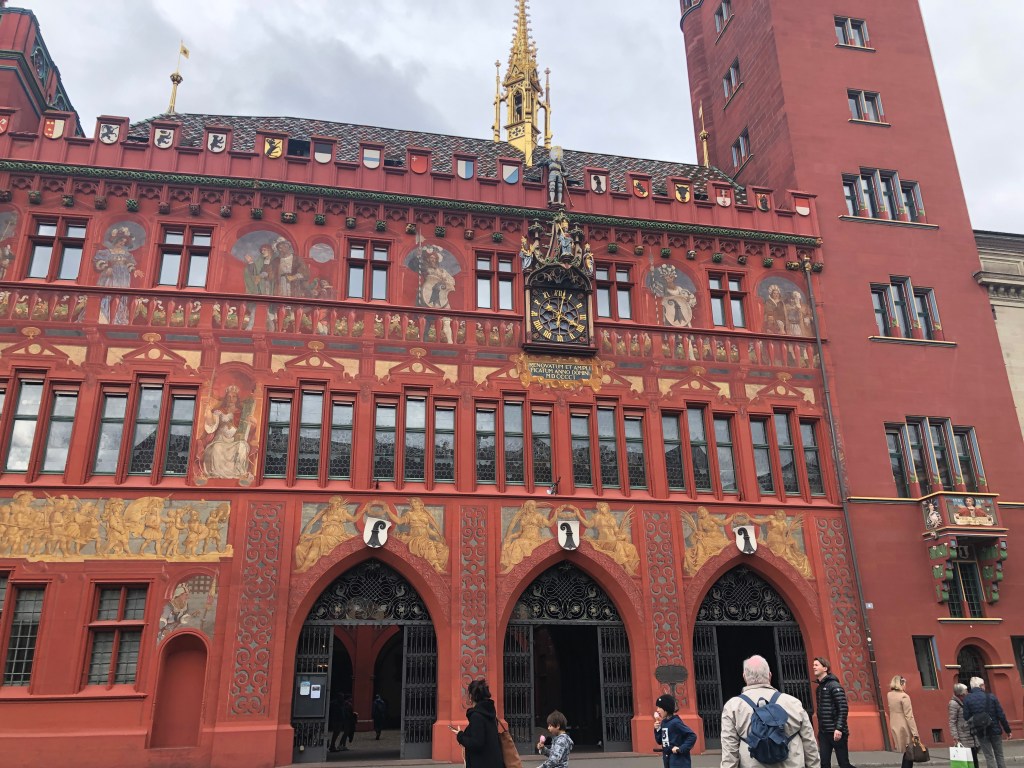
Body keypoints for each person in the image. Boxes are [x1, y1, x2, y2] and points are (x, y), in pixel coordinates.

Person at [720, 655, 819, 768]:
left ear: (744, 676)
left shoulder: (733, 706)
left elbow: (729, 750)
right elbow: (809, 742)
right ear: (770, 675)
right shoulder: (793, 703)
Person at [812, 657, 855, 768]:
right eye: (813, 665)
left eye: (816, 665)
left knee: (844, 764)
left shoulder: (834, 685)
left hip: (836, 731)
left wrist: (839, 728)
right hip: (824, 732)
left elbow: (843, 708)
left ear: (825, 668)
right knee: (824, 763)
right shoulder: (819, 688)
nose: (814, 667)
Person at [962, 677, 1011, 768]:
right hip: (995, 729)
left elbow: (966, 717)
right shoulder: (991, 697)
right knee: (999, 755)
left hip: (981, 731)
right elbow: (1001, 715)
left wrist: (977, 718)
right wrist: (1007, 730)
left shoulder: (967, 699)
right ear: (981, 686)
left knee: (989, 756)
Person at [455, 678, 504, 768]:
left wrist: (460, 736)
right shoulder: (490, 712)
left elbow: (476, 743)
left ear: (471, 696)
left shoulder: (477, 716)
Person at [653, 693, 697, 768]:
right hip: (668, 760)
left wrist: (680, 748)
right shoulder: (664, 722)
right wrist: (657, 729)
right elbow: (660, 741)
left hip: (679, 762)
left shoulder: (675, 723)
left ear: (666, 708)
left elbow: (692, 736)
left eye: (660, 707)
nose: (657, 710)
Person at [887, 675, 920, 768]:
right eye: (905, 684)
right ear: (901, 684)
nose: (905, 686)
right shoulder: (904, 696)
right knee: (909, 752)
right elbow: (909, 716)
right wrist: (915, 733)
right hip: (905, 726)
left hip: (894, 724)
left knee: (907, 752)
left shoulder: (890, 695)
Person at [948, 683, 980, 768]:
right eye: (966, 691)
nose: (967, 693)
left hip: (971, 734)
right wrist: (955, 737)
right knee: (967, 762)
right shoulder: (953, 704)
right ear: (960, 694)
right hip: (963, 736)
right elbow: (952, 721)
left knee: (974, 760)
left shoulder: (966, 701)